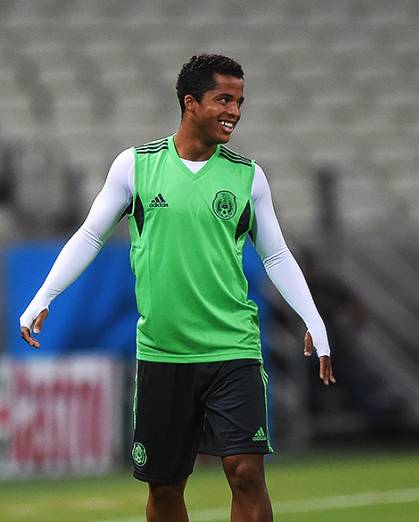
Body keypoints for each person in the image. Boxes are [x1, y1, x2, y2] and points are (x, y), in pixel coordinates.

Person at [19, 54, 334, 522]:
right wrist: (44, 297)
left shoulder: (249, 176)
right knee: (165, 489)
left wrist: (314, 318)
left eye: (240, 101)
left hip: (233, 347)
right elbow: (89, 235)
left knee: (246, 472)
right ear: (190, 103)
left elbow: (276, 254)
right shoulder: (136, 167)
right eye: (223, 99)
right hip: (164, 353)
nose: (235, 111)